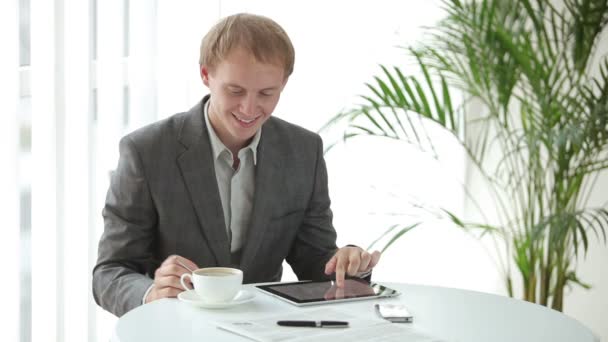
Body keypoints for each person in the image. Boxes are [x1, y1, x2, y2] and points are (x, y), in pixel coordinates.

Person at [92, 13, 381, 317]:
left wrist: (347, 264)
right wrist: (151, 292)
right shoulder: (146, 151)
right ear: (206, 75)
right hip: (174, 329)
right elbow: (110, 272)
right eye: (235, 91)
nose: (249, 108)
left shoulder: (303, 151)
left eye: (267, 93)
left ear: (283, 83)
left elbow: (314, 261)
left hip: (267, 332)